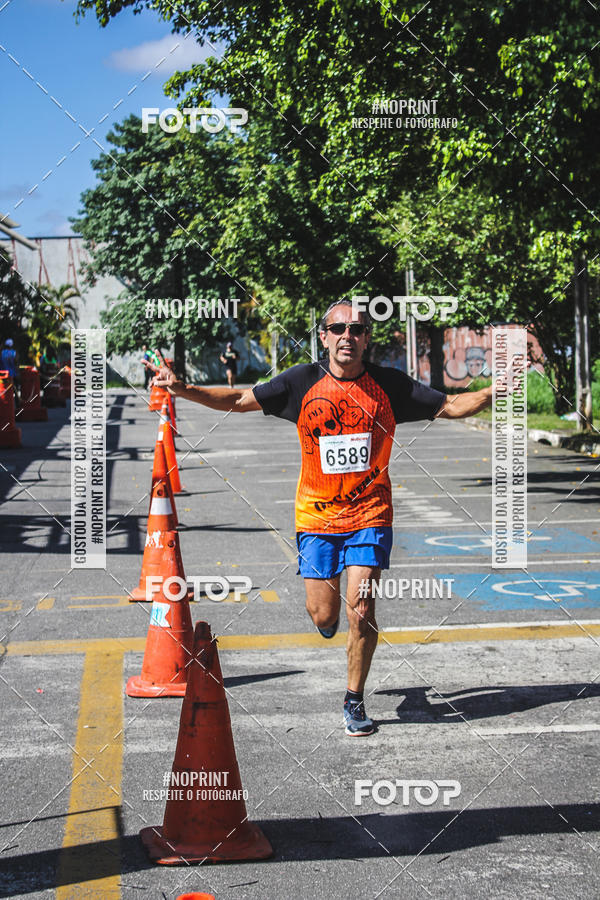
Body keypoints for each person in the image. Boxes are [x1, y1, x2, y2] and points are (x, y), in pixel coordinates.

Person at [144, 300, 496, 736]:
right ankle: (329, 625)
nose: (348, 336)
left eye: (357, 329)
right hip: (316, 518)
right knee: (324, 615)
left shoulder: (389, 386)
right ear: (325, 337)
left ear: (367, 338)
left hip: (370, 513)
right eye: (339, 329)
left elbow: (451, 405)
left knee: (361, 608)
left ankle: (354, 698)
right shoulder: (301, 382)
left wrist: (493, 392)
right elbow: (238, 398)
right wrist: (183, 389)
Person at [1, 338, 20, 404]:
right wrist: (18, 374)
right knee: (15, 391)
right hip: (13, 375)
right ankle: (17, 405)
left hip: (4, 376)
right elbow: (16, 364)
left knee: (5, 392)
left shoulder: (2, 353)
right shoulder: (14, 353)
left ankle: (6, 405)